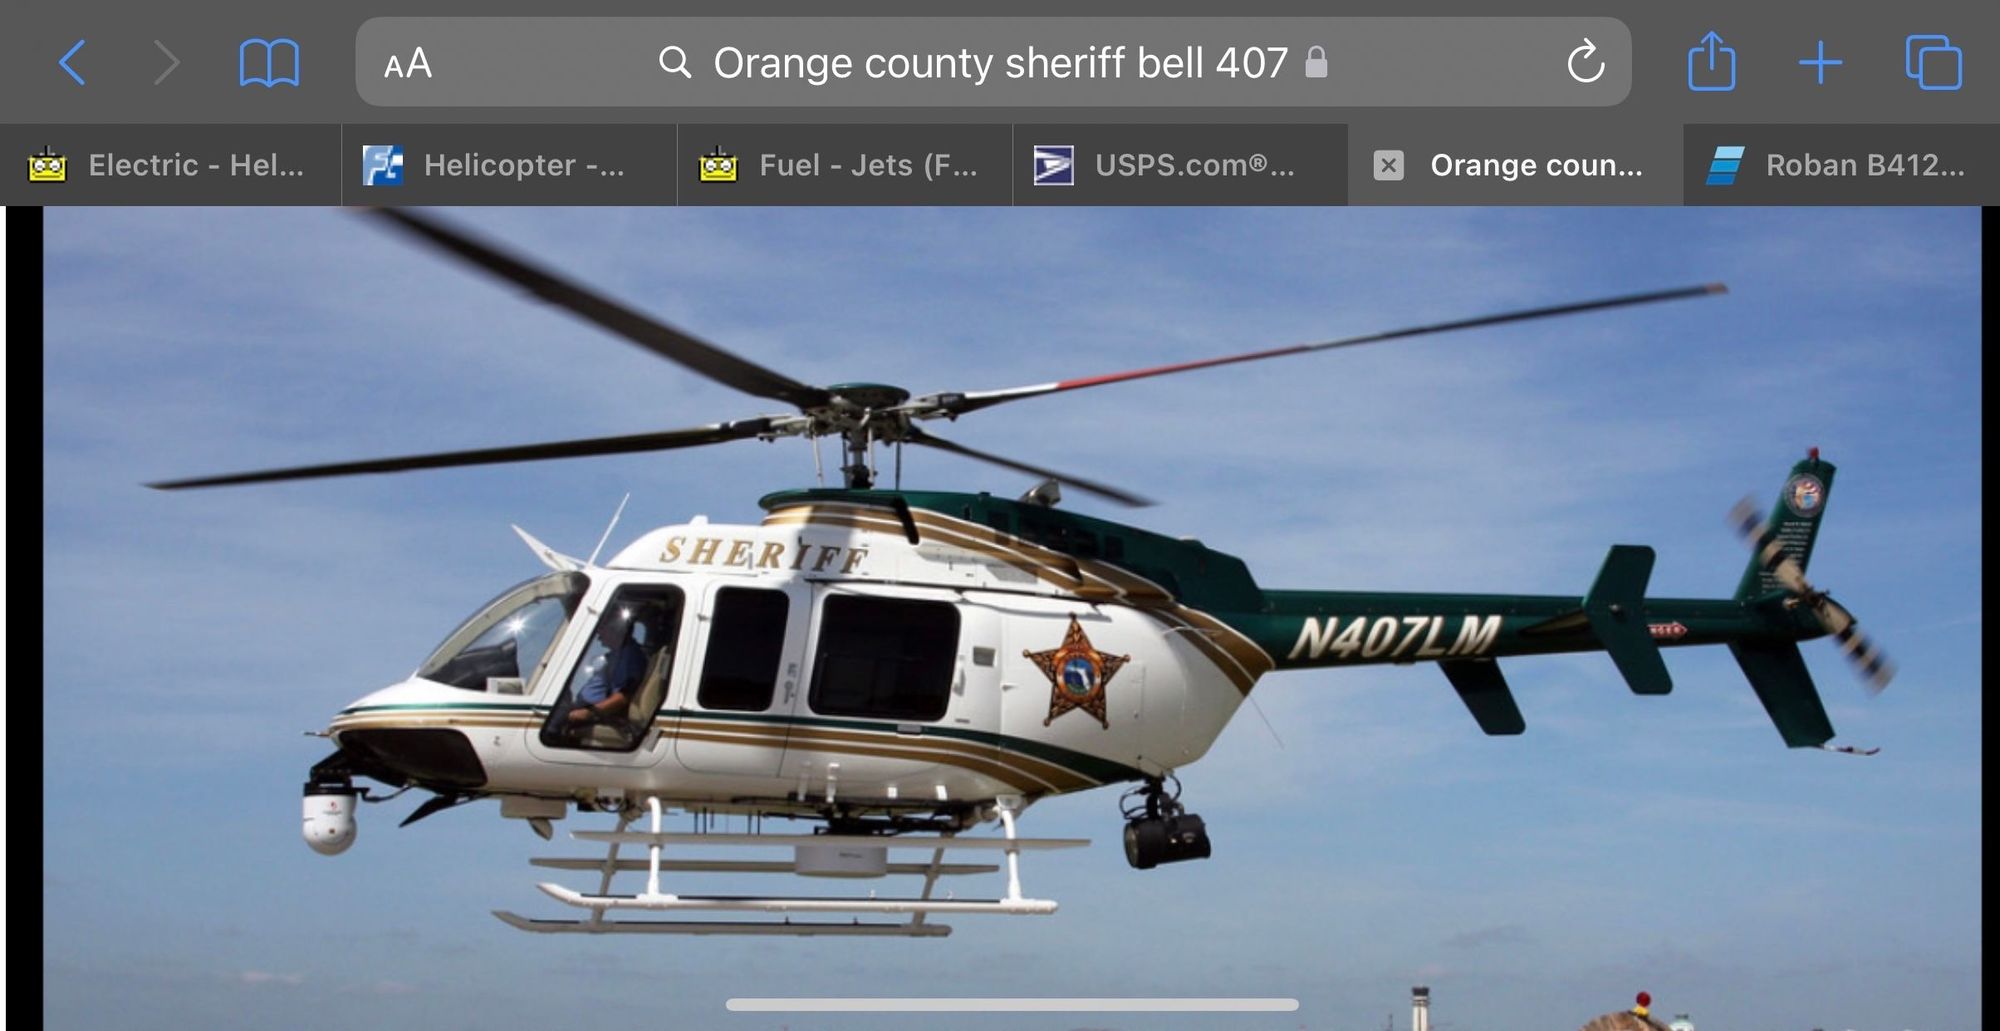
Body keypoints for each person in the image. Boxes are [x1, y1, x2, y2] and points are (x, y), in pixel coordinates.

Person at [564, 614, 650, 731]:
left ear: (616, 630)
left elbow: (623, 696)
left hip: (590, 711)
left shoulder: (629, 656)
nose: (599, 637)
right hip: (582, 705)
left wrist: (591, 712)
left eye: (602, 630)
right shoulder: (620, 653)